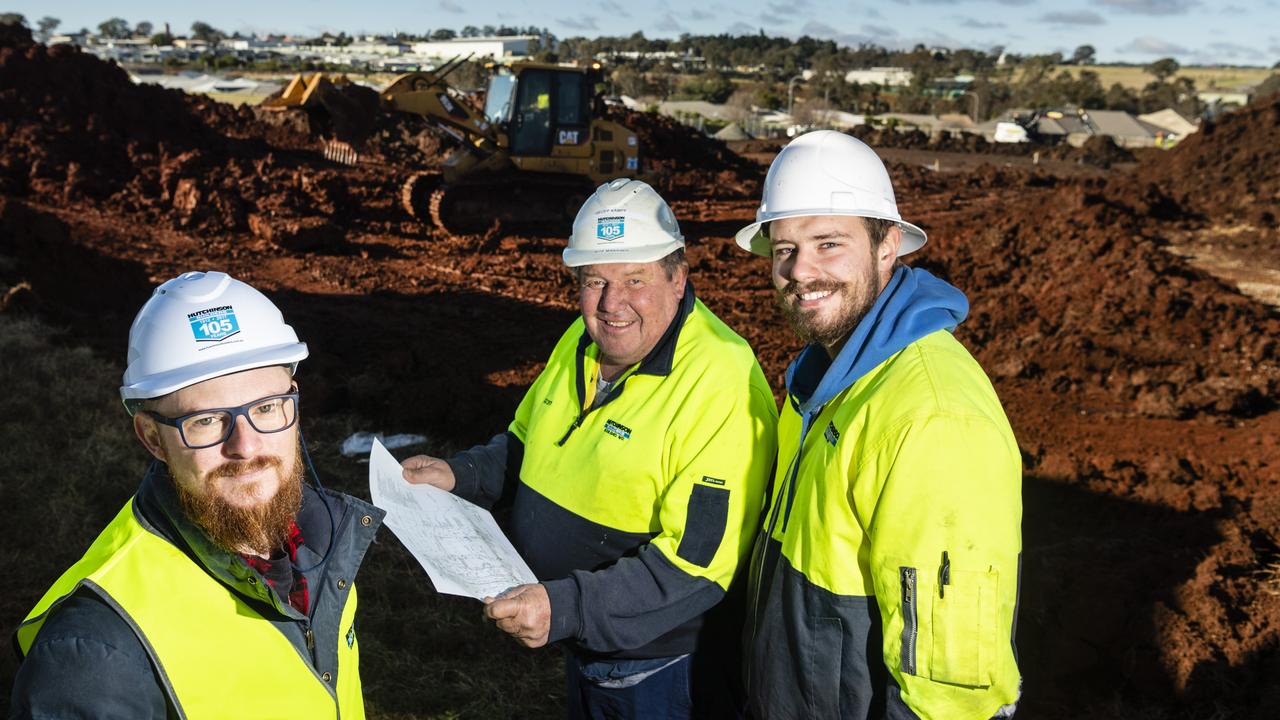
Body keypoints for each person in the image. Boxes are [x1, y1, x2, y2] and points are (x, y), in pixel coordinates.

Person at [402, 178, 777, 718]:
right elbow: (527, 443)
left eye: (634, 279)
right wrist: (459, 476)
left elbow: (693, 571)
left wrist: (567, 606)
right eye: (594, 280)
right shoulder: (580, 340)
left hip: (660, 672)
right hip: (587, 645)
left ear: (678, 278)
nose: (611, 303)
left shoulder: (722, 385)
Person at [735, 131, 1023, 719]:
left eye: (829, 244)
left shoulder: (933, 419)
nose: (800, 272)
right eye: (784, 249)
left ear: (888, 246)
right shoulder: (826, 381)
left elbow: (951, 693)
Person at [11, 271, 384, 719]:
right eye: (206, 420)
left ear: (294, 402)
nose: (245, 447)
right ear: (152, 437)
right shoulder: (95, 654)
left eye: (266, 408)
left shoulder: (322, 544)